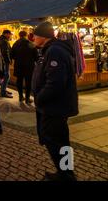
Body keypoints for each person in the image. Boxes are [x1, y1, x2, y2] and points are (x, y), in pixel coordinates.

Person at [32, 22, 78, 181]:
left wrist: (40, 98)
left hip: (54, 106)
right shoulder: (50, 50)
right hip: (55, 105)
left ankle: (65, 175)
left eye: (36, 35)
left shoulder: (54, 51)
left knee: (53, 140)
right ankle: (66, 172)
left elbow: (55, 82)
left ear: (43, 37)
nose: (34, 38)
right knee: (61, 140)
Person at [11, 31, 38, 104]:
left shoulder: (15, 44)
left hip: (19, 65)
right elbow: (36, 57)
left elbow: (12, 55)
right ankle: (27, 98)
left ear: (19, 35)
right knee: (28, 82)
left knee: (19, 81)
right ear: (26, 35)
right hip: (29, 66)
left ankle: (20, 97)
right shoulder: (31, 44)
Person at [0, 30, 13, 98]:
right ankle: (3, 92)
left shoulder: (0, 40)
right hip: (4, 62)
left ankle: (3, 89)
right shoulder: (4, 41)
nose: (10, 36)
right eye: (10, 34)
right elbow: (5, 52)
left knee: (3, 76)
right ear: (6, 34)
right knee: (6, 76)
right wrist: (9, 61)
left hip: (1, 61)